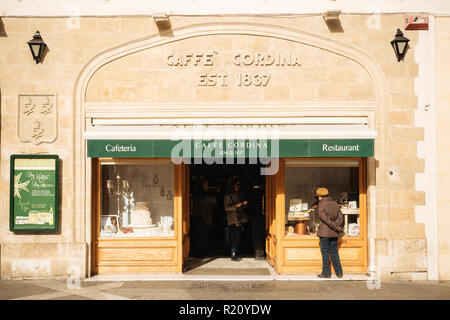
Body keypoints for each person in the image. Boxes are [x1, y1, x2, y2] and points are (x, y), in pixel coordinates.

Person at [315, 187, 344, 278]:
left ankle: (326, 273)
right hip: (334, 233)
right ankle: (339, 272)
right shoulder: (335, 204)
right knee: (334, 252)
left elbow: (324, 218)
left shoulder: (321, 204)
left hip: (324, 232)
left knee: (325, 252)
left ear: (320, 196)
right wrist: (336, 226)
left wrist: (333, 225)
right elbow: (340, 217)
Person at [191, 179, 217, 258]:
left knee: (205, 237)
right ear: (202, 185)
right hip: (200, 218)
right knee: (200, 237)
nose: (208, 186)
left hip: (205, 218)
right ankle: (199, 254)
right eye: (206, 184)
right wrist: (214, 197)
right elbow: (206, 202)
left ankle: (203, 253)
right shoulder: (199, 194)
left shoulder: (206, 194)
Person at [224, 178, 248, 261]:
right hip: (233, 219)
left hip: (240, 218)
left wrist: (243, 204)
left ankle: (235, 252)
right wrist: (236, 206)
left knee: (237, 237)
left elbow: (240, 206)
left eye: (239, 184)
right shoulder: (228, 195)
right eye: (236, 184)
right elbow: (226, 208)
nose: (238, 186)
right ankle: (233, 253)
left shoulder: (238, 194)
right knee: (235, 237)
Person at [247, 177, 265, 260]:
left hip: (253, 216)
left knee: (255, 234)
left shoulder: (250, 193)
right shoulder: (263, 193)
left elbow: (248, 205)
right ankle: (262, 252)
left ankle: (257, 252)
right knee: (262, 233)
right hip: (263, 216)